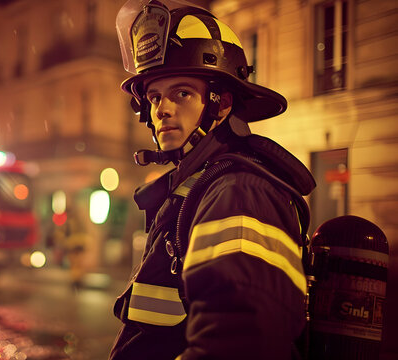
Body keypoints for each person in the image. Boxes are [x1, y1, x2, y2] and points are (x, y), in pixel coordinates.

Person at [110, 1, 316, 359]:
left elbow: (239, 345)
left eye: (182, 93)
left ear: (221, 105)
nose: (162, 109)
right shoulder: (201, 186)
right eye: (155, 96)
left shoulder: (239, 193)